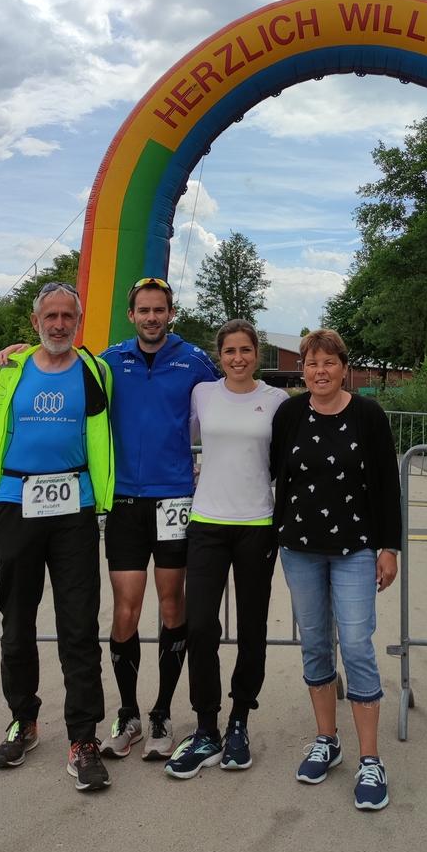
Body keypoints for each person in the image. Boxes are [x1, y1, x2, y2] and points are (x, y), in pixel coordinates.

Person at [0, 277, 220, 762]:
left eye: (160, 309)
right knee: (125, 610)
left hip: (175, 498)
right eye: (144, 309)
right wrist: (16, 352)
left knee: (172, 605)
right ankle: (129, 712)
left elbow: (230, 393)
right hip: (123, 503)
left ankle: (161, 711)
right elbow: (57, 359)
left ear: (171, 314)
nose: (152, 317)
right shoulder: (108, 363)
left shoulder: (196, 359)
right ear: (131, 315)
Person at [0, 281, 114, 791]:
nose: (59, 325)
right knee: (17, 622)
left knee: (78, 626)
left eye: (68, 317)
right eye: (50, 316)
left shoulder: (97, 370)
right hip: (15, 503)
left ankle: (83, 737)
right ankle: (24, 720)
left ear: (78, 322)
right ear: (35, 322)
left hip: (74, 508)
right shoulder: (9, 369)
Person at [270, 329, 401, 811]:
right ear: (301, 370)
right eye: (311, 363)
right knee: (316, 643)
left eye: (328, 362)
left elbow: (387, 484)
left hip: (355, 548)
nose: (319, 371)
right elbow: (272, 472)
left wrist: (389, 547)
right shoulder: (289, 414)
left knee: (357, 643)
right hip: (300, 548)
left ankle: (371, 757)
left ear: (344, 367)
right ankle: (327, 739)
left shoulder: (368, 416)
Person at [165, 320, 288, 779]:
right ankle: (206, 727)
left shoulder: (276, 401)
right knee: (199, 626)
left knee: (253, 627)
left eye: (246, 350)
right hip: (207, 524)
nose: (238, 358)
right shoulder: (203, 393)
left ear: (258, 353)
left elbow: (290, 460)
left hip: (256, 524)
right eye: (230, 350)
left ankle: (239, 720)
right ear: (219, 355)